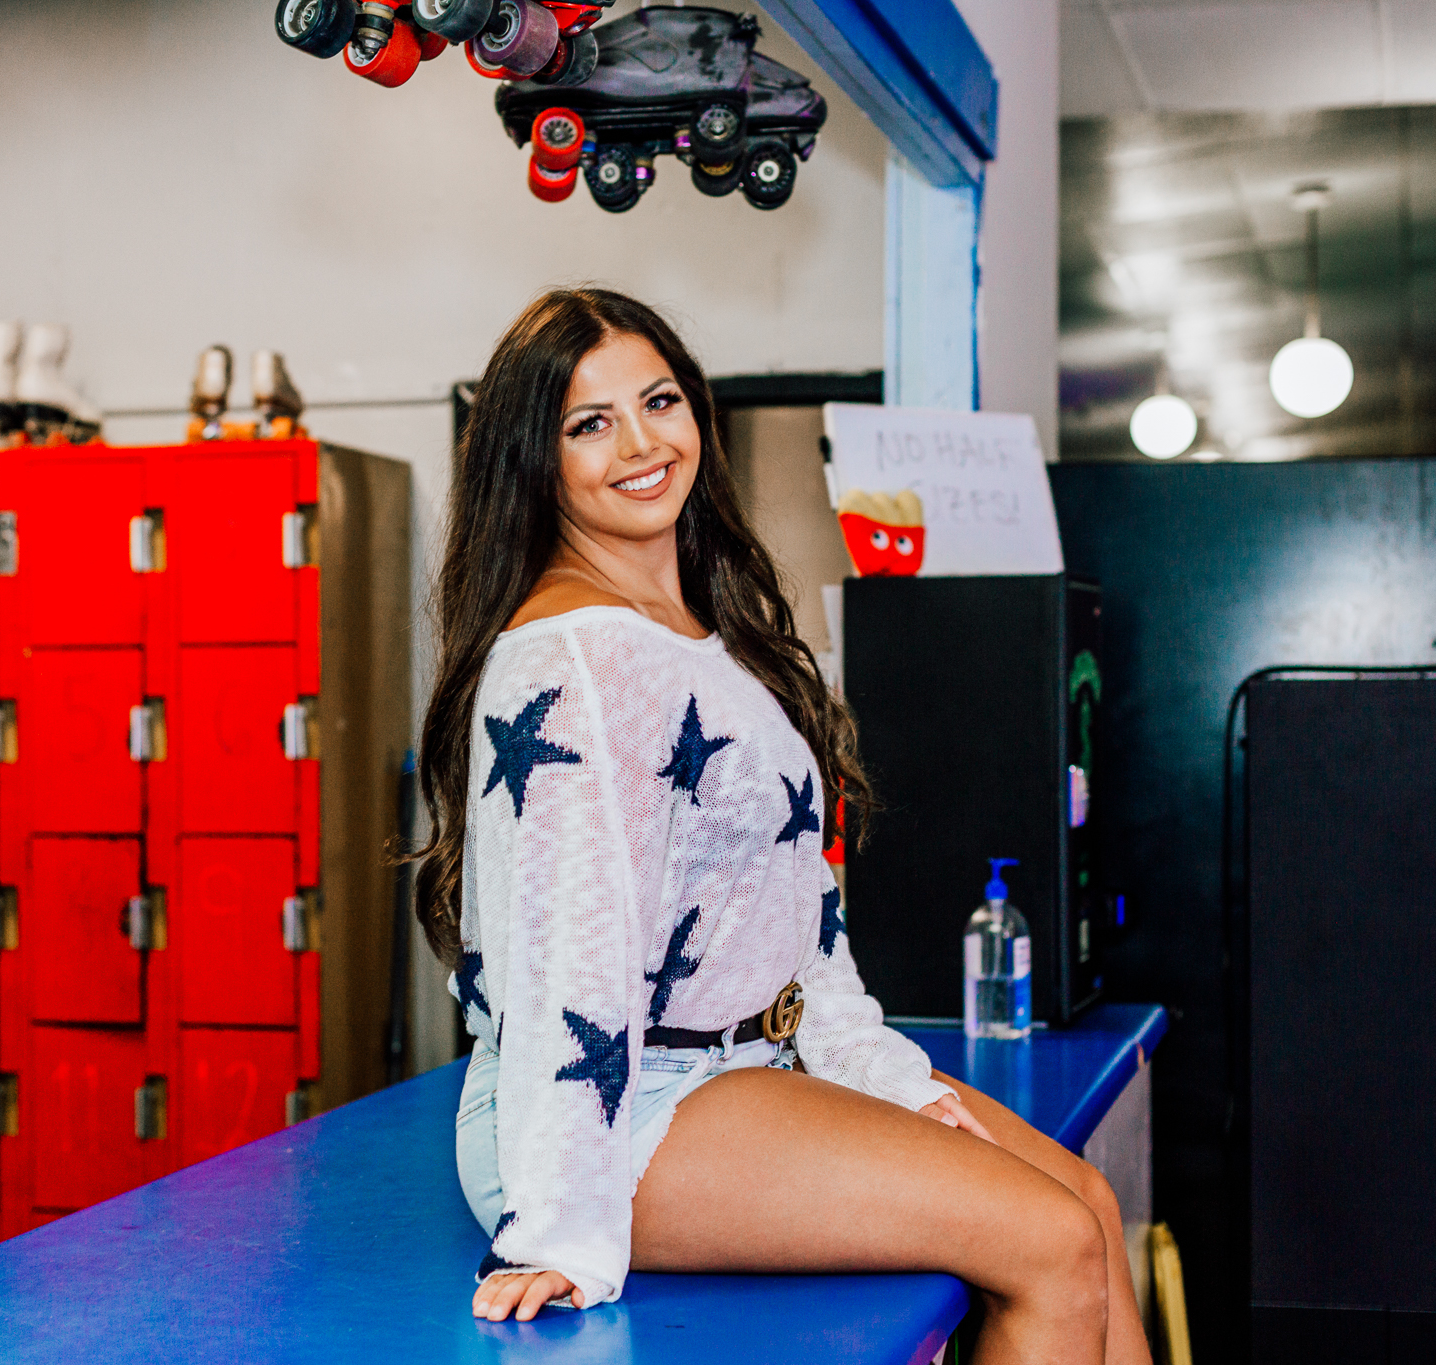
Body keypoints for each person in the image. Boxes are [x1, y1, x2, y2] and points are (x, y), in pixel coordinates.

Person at [416, 288, 1151, 1362]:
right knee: (1047, 1240)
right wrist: (561, 1226)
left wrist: (883, 1078)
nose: (638, 442)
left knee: (1083, 1201)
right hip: (622, 1110)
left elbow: (801, 918)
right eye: (588, 423)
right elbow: (565, 953)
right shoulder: (569, 656)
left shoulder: (703, 636)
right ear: (535, 460)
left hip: (747, 1070)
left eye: (657, 400)